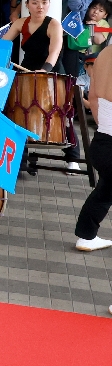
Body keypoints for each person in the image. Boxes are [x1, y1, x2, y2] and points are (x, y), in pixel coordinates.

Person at [76, 46, 112, 257]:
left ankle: (87, 236)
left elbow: (94, 97)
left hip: (102, 140)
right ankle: (86, 236)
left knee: (105, 191)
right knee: (105, 192)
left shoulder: (106, 53)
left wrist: (103, 127)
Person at [1, 0, 63, 71]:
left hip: (50, 71)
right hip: (26, 70)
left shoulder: (54, 25)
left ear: (49, 4)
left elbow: (54, 52)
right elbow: (2, 43)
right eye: (34, 3)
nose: (40, 7)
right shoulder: (20, 23)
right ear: (27, 4)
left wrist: (44, 70)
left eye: (44, 3)